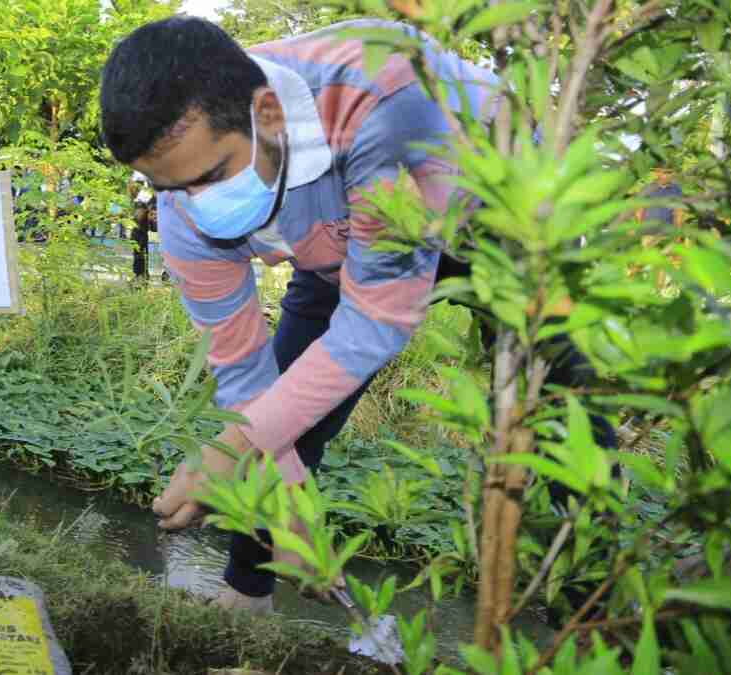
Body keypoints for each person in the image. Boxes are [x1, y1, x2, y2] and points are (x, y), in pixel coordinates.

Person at [100, 17, 499, 613]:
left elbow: (379, 318)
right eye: (171, 188)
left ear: (267, 116)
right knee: (286, 409)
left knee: (550, 423)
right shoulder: (184, 206)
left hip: (498, 227)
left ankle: (582, 611)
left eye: (212, 176)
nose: (196, 205)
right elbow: (244, 375)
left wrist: (229, 450)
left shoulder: (383, 94)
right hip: (334, 250)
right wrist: (290, 521)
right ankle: (246, 599)